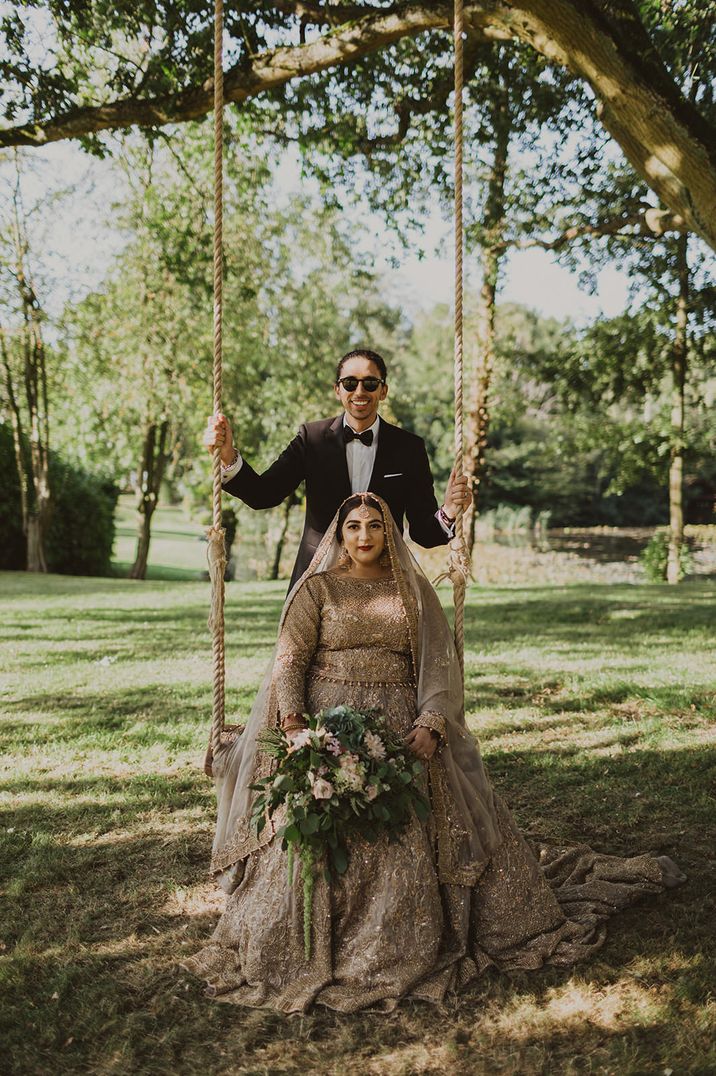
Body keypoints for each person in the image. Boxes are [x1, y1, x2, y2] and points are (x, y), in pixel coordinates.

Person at [182, 493, 684, 1013]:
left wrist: (431, 722)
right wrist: (294, 727)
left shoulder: (412, 591)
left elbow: (440, 667)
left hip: (400, 731)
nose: (363, 536)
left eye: (374, 525)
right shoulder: (318, 590)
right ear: (339, 534)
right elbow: (290, 661)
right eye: (352, 527)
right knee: (323, 823)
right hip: (325, 730)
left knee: (408, 826)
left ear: (388, 532)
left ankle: (405, 934)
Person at [203, 348, 469, 588]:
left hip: (385, 581)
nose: (360, 391)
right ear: (337, 390)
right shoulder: (312, 438)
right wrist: (227, 455)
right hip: (318, 576)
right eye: (350, 383)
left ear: (383, 391)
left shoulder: (409, 448)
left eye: (370, 383)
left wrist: (448, 511)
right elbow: (264, 494)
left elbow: (423, 533)